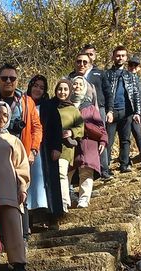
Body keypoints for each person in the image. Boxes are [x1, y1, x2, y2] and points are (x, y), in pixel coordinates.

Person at [0, 101, 31, 271]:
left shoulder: (13, 140)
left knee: (13, 225)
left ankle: (18, 261)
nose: (1, 117)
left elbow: (21, 166)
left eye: (5, 115)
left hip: (9, 189)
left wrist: (22, 187)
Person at [24, 75, 64, 225]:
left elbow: (57, 128)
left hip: (46, 152)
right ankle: (30, 220)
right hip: (26, 150)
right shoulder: (23, 104)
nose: (38, 90)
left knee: (48, 185)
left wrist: (57, 147)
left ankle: (52, 218)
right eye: (35, 86)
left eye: (41, 88)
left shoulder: (49, 106)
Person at [0, 63, 43, 159]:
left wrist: (33, 150)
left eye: (12, 78)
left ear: (17, 81)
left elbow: (37, 128)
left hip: (22, 154)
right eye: (4, 78)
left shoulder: (27, 102)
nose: (8, 81)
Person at [103, 48, 141, 173]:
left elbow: (136, 95)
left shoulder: (130, 75)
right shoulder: (106, 74)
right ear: (113, 57)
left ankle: (124, 165)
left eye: (123, 55)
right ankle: (105, 168)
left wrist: (137, 112)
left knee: (125, 140)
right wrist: (107, 110)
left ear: (126, 58)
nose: (120, 58)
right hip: (111, 112)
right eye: (118, 55)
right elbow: (104, 94)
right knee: (108, 141)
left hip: (126, 112)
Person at [70, 76, 107, 209]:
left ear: (85, 88)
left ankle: (84, 199)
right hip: (70, 144)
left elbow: (100, 127)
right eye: (75, 84)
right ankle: (65, 200)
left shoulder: (90, 107)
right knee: (67, 172)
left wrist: (103, 141)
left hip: (88, 143)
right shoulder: (65, 105)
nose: (77, 87)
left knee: (86, 171)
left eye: (81, 84)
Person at [53, 79, 84, 211]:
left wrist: (71, 132)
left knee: (61, 173)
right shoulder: (50, 106)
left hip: (65, 147)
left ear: (70, 91)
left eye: (65, 89)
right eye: (60, 89)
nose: (62, 92)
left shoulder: (73, 110)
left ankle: (64, 203)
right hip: (49, 146)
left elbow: (81, 128)